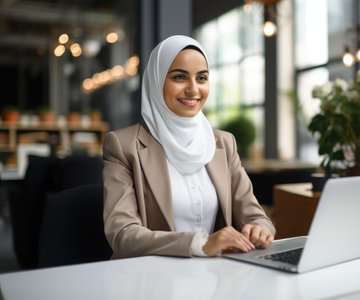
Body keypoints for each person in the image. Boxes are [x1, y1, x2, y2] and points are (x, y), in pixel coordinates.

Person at [102, 35, 275, 258]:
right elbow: (122, 235)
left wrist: (260, 229)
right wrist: (199, 243)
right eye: (180, 77)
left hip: (216, 276)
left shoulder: (223, 143)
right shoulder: (123, 146)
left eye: (202, 78)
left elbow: (256, 216)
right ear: (156, 81)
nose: (193, 89)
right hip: (150, 280)